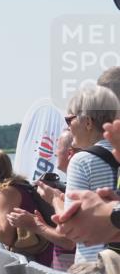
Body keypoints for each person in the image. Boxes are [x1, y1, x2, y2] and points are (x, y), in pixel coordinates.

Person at [43, 87, 120, 262]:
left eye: (69, 119)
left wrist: (54, 199)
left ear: (87, 122)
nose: (67, 127)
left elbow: (72, 230)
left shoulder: (82, 160)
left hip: (98, 266)